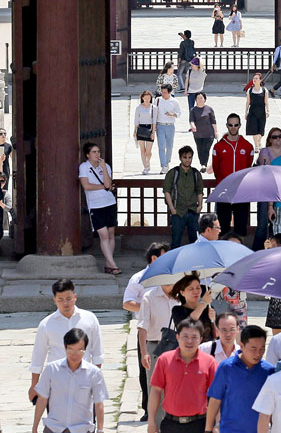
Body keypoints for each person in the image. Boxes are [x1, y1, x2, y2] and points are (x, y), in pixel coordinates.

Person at [28, 279, 104, 404]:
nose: (65, 303)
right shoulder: (46, 324)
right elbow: (38, 357)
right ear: (54, 300)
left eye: (68, 298)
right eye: (60, 299)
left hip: (84, 380)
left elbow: (97, 353)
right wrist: (34, 385)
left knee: (86, 421)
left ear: (75, 297)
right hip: (56, 382)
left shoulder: (89, 319)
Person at [123, 242, 170, 421]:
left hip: (169, 331)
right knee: (146, 372)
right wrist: (148, 306)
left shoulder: (170, 277)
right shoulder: (138, 278)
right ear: (154, 258)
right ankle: (147, 409)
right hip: (147, 331)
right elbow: (127, 302)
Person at [31, 328, 109, 433]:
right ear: (65, 348)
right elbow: (42, 399)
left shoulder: (94, 373)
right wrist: (34, 427)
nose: (74, 354)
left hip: (82, 428)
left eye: (79, 350)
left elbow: (99, 403)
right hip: (54, 428)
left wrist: (100, 429)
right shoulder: (51, 369)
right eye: (71, 349)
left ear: (85, 350)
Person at [147, 318, 218, 433]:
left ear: (201, 339)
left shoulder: (210, 362)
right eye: (185, 336)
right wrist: (151, 421)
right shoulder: (164, 360)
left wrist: (216, 424)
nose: (189, 341)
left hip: (200, 424)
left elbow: (216, 396)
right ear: (177, 337)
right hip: (171, 424)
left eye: (194, 337)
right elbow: (155, 391)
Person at [205, 325, 274, 433]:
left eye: (262, 349)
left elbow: (273, 405)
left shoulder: (268, 371)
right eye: (253, 348)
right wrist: (208, 429)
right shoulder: (226, 367)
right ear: (241, 345)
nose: (258, 353)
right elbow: (215, 400)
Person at [138, 281, 180, 429]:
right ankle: (155, 426)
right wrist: (144, 353)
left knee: (177, 387)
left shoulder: (181, 295)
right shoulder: (149, 296)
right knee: (156, 388)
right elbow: (142, 326)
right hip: (155, 346)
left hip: (179, 347)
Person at [79, 142, 120, 274]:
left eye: (98, 151)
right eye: (94, 152)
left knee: (111, 233)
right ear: (87, 155)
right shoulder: (84, 167)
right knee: (103, 235)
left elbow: (108, 183)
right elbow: (87, 186)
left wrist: (103, 167)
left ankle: (109, 263)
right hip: (96, 205)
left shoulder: (105, 166)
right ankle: (113, 264)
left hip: (109, 202)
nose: (97, 154)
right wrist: (103, 187)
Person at [212, 113, 254, 237]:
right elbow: (216, 169)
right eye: (230, 125)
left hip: (241, 192)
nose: (233, 127)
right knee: (223, 227)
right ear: (227, 126)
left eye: (236, 125)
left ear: (240, 125)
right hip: (224, 192)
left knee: (241, 227)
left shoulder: (247, 146)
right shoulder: (219, 146)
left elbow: (248, 165)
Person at [252, 128, 281, 251]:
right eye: (275, 136)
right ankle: (257, 251)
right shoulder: (264, 151)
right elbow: (267, 168)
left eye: (280, 136)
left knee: (277, 226)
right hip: (265, 193)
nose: (278, 139)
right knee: (262, 225)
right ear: (270, 139)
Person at [163, 146, 203, 248]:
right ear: (180, 158)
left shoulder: (195, 173)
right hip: (178, 210)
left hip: (192, 209)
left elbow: (199, 190)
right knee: (176, 241)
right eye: (185, 157)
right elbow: (166, 191)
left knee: (195, 241)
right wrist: (172, 208)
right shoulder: (174, 172)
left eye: (189, 157)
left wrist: (200, 206)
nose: (187, 160)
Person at [170, 272, 216, 343]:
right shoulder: (177, 310)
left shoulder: (209, 309)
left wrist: (214, 321)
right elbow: (187, 324)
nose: (196, 291)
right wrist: (203, 303)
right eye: (191, 289)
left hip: (208, 351)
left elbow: (217, 334)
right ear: (182, 292)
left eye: (198, 288)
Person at [263, 234, 281, 334]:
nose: (271, 248)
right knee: (277, 338)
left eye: (273, 246)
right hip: (276, 301)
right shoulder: (273, 258)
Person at [155, 83, 181, 174]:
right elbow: (154, 113)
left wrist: (172, 114)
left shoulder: (174, 101)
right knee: (161, 146)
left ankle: (167, 161)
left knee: (169, 146)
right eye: (162, 92)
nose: (163, 94)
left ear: (170, 92)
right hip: (160, 125)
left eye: (165, 92)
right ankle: (164, 165)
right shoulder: (158, 100)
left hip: (170, 125)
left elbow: (179, 114)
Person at [189, 91, 217, 173]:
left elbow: (213, 121)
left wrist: (216, 132)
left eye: (201, 98)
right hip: (198, 134)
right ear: (195, 100)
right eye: (198, 98)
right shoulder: (193, 110)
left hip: (209, 134)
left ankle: (204, 164)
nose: (200, 100)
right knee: (200, 149)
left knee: (206, 149)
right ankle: (202, 163)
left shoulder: (209, 109)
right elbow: (191, 120)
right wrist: (193, 126)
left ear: (204, 99)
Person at [134, 90, 158, 175]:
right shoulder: (139, 107)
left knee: (148, 151)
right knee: (142, 150)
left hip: (149, 128)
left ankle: (148, 162)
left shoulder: (153, 107)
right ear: (142, 98)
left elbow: (154, 121)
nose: (147, 99)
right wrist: (135, 131)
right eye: (145, 98)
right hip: (141, 128)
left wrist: (153, 132)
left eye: (149, 98)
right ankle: (145, 167)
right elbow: (136, 120)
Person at [245, 73, 270, 153]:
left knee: (260, 130)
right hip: (252, 111)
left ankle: (259, 142)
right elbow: (248, 102)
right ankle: (256, 145)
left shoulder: (264, 90)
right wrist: (246, 112)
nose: (254, 80)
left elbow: (266, 101)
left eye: (256, 78)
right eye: (254, 78)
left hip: (261, 111)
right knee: (254, 129)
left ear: (260, 80)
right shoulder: (250, 90)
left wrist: (268, 110)